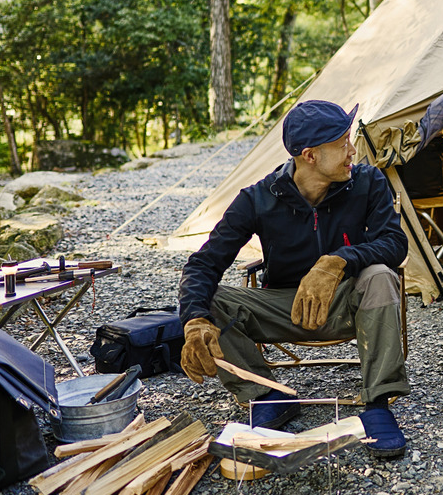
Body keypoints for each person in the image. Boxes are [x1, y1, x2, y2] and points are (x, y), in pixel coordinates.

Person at [176, 100, 410, 458]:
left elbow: (394, 243)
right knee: (211, 300)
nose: (352, 151)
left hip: (348, 303)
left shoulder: (368, 182)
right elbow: (204, 264)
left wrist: (337, 261)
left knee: (380, 275)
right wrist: (193, 321)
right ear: (310, 156)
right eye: (342, 143)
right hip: (283, 308)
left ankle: (377, 404)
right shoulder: (258, 199)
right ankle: (267, 395)